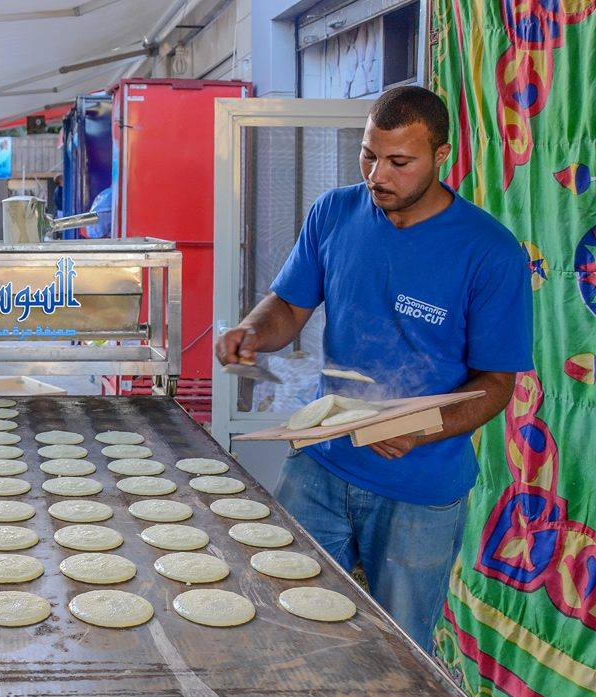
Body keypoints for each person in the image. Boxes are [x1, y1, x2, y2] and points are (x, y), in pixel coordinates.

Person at [214, 86, 532, 653]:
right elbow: (289, 306)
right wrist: (253, 332)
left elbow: (495, 385)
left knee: (398, 648)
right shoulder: (335, 213)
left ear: (442, 155)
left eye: (399, 162)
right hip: (321, 461)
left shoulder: (489, 251)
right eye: (368, 154)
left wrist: (418, 427)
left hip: (419, 487)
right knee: (288, 623)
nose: (376, 174)